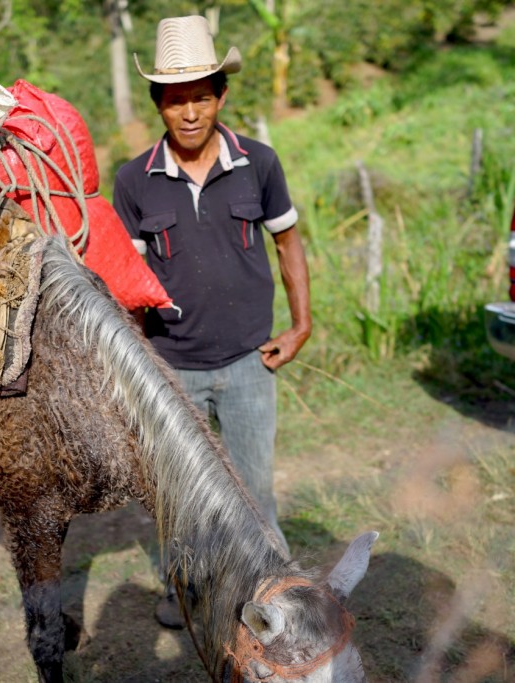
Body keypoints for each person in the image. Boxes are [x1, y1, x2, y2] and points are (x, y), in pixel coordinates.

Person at [112, 15, 312, 628]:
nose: (191, 112)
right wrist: (138, 368)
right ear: (159, 107)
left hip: (250, 361)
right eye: (176, 100)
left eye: (202, 96)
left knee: (254, 493)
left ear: (221, 96)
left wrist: (300, 326)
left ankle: (270, 594)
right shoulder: (133, 180)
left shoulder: (260, 163)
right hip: (173, 372)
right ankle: (186, 589)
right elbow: (126, 288)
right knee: (181, 498)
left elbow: (288, 245)